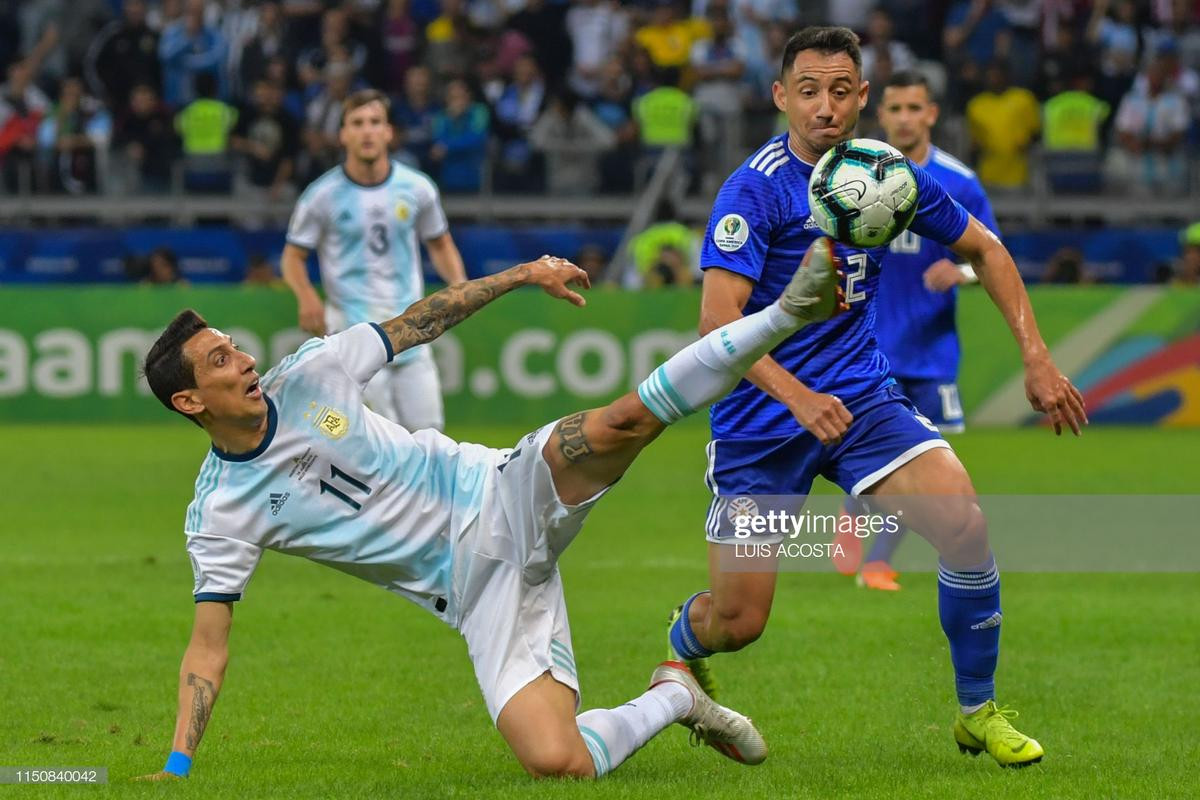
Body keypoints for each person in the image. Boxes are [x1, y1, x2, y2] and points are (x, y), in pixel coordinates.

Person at [131, 241, 849, 781]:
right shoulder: (220, 511)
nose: (245, 360)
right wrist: (178, 767)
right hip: (476, 594)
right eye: (220, 361)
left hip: (497, 491)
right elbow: (208, 644)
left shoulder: (313, 371)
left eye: (234, 346)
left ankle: (787, 309)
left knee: (622, 422)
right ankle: (674, 694)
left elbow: (420, 322)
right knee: (557, 761)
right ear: (190, 402)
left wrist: (521, 275)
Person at [664, 27, 1086, 769]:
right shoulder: (754, 188)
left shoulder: (884, 176)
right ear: (780, 97)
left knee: (964, 523)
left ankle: (976, 710)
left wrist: (1037, 356)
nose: (824, 107)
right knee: (738, 621)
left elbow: (986, 248)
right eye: (807, 91)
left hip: (860, 397)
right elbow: (715, 324)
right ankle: (681, 643)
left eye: (839, 91)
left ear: (862, 97)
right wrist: (796, 398)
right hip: (762, 420)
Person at [833, 70, 1000, 591]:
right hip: (870, 354)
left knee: (931, 470)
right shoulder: (851, 177)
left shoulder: (959, 182)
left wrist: (962, 271)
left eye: (915, 108)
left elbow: (992, 256)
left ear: (931, 114)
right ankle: (863, 533)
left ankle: (874, 554)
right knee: (892, 469)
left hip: (932, 355)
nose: (905, 118)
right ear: (879, 114)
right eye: (896, 109)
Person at [282, 89, 464, 433]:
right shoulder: (321, 196)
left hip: (413, 329)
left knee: (431, 437)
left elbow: (440, 244)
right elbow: (293, 256)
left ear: (388, 132)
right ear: (343, 134)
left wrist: (459, 288)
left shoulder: (418, 188)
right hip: (354, 335)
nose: (367, 131)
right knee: (382, 442)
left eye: (375, 122)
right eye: (357, 123)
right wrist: (306, 296)